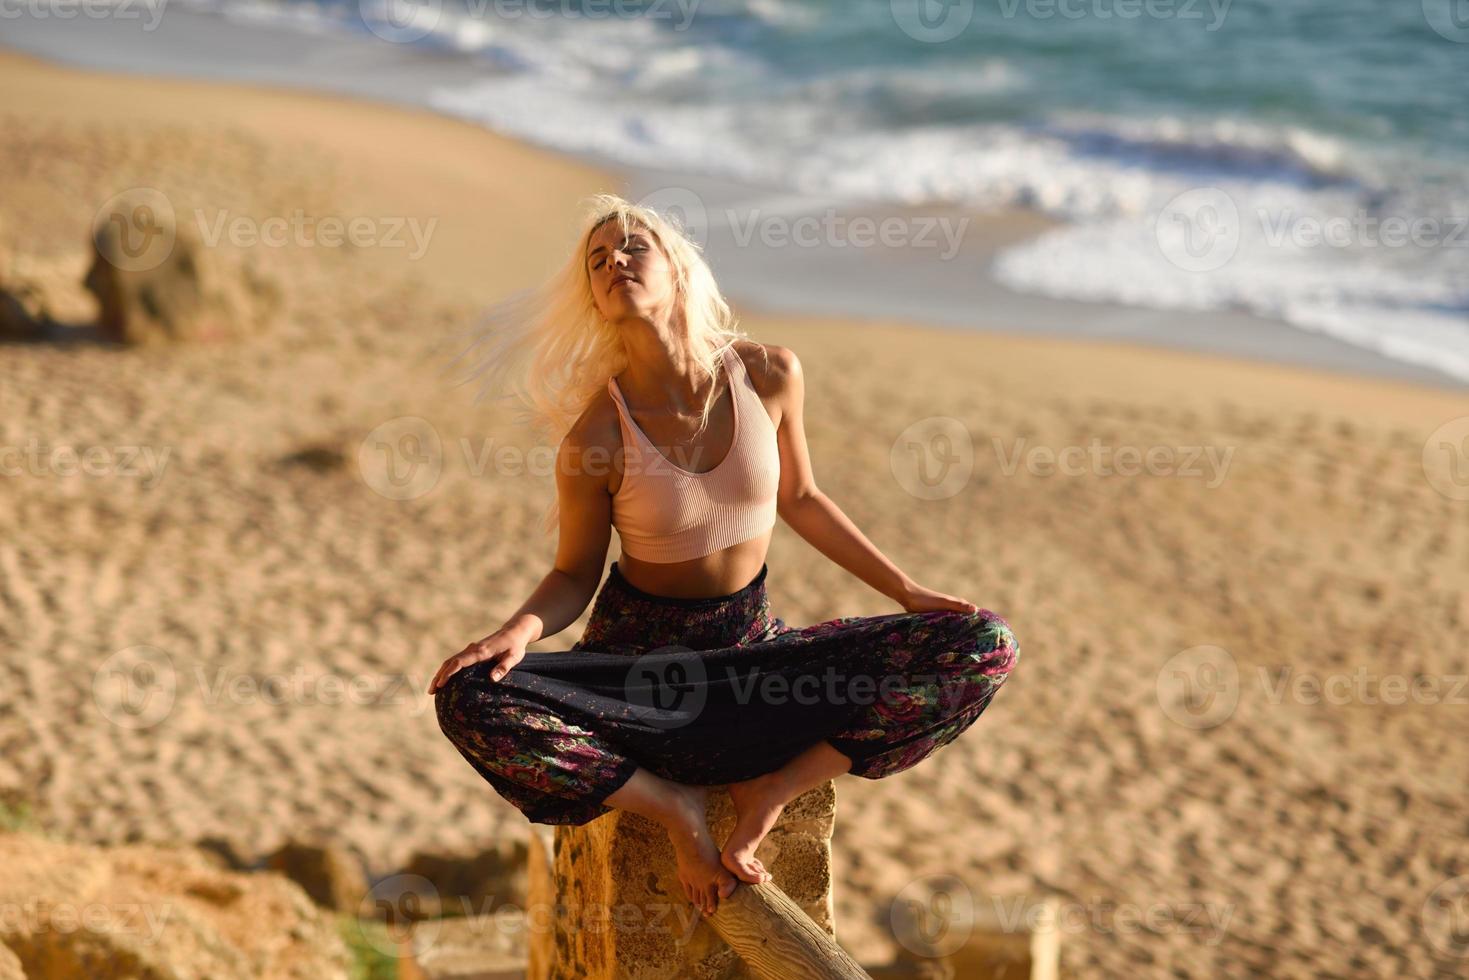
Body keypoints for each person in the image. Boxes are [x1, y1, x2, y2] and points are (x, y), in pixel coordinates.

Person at [427, 194, 1019, 918]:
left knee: (982, 643)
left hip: (755, 666)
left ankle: (773, 788)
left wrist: (907, 590)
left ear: (675, 266)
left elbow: (801, 498)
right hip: (638, 685)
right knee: (467, 697)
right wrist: (514, 632)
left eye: (632, 247)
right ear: (594, 297)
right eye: (597, 260)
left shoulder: (768, 373)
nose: (615, 261)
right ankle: (673, 809)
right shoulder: (596, 438)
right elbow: (572, 573)